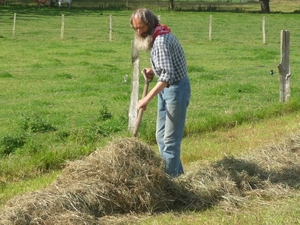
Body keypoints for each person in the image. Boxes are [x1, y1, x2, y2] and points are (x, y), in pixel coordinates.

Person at [130, 8, 191, 177]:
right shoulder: (157, 35)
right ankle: (178, 176)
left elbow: (168, 76)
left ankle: (171, 184)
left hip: (176, 90)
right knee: (161, 136)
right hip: (167, 88)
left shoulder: (160, 42)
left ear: (150, 24)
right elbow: (166, 68)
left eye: (141, 27)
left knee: (170, 142)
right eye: (135, 28)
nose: (139, 31)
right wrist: (153, 70)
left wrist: (146, 99)